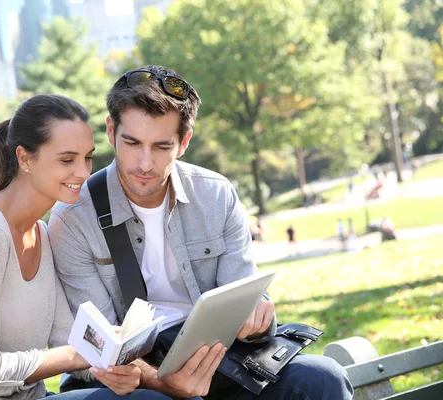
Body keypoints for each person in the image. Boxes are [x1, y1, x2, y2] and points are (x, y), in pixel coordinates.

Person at [48, 65, 352, 399]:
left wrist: (258, 319)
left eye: (162, 146)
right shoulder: (74, 217)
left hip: (217, 359)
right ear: (110, 132)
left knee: (322, 378)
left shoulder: (216, 195)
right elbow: (98, 346)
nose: (144, 163)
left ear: (184, 142)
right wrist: (163, 383)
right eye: (132, 143)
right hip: (134, 378)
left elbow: (245, 300)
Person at [0, 94, 175, 400]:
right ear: (26, 159)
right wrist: (74, 357)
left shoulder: (41, 231)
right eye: (67, 159)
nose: (83, 172)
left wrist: (110, 365)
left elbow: (65, 339)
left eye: (87, 157)